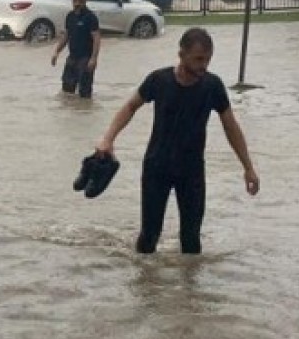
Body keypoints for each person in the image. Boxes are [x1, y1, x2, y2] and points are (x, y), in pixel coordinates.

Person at [96, 27, 260, 255]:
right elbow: (130, 106)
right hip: (157, 167)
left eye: (208, 60)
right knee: (149, 237)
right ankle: (146, 287)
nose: (204, 66)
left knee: (191, 240)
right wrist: (108, 138)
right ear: (181, 55)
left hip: (191, 171)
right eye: (199, 59)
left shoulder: (212, 86)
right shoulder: (158, 80)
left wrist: (248, 168)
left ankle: (189, 289)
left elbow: (231, 126)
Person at [50, 0, 101, 99]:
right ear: (72, 0)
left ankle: (84, 113)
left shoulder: (91, 17)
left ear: (86, 0)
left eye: (80, 1)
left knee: (84, 93)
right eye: (75, 1)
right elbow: (66, 36)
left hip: (85, 59)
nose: (77, 4)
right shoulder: (70, 16)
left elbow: (97, 38)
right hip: (72, 58)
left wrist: (93, 58)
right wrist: (56, 52)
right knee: (66, 92)